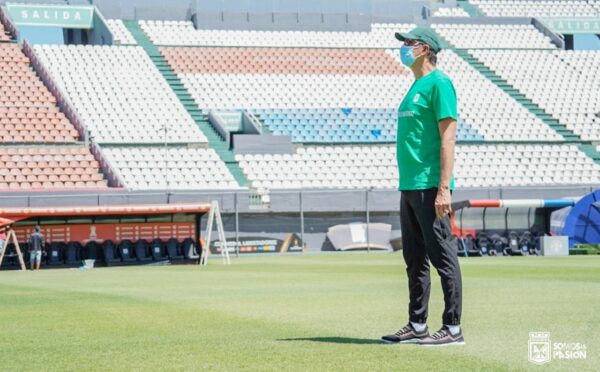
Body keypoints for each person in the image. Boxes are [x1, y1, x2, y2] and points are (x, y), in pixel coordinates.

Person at [381, 27, 464, 346]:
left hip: (431, 186)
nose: (403, 48)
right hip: (410, 186)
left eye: (408, 43)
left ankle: (453, 328)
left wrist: (444, 188)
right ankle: (417, 323)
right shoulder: (415, 85)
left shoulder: (440, 84)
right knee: (414, 259)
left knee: (443, 256)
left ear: (426, 48)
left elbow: (448, 137)